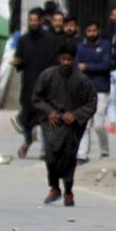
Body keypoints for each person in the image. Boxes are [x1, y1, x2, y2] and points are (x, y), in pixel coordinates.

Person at [32, 44, 98, 207]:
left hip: (72, 126)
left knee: (69, 158)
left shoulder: (82, 80)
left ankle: (68, 191)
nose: (66, 62)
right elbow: (36, 98)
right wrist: (49, 112)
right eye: (63, 59)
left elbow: (91, 103)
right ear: (58, 59)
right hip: (52, 123)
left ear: (74, 60)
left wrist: (75, 115)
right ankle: (54, 187)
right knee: (51, 156)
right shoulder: (47, 75)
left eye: (69, 59)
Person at [11, 8, 60, 159]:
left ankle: (45, 150)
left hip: (46, 86)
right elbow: (19, 60)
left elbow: (55, 62)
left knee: (45, 118)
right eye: (30, 20)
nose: (33, 23)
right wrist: (17, 62)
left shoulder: (50, 40)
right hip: (28, 85)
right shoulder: (24, 40)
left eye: (35, 20)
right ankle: (28, 141)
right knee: (27, 118)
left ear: (40, 21)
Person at [76, 21, 112, 163]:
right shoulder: (80, 47)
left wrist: (87, 67)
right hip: (84, 90)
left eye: (94, 31)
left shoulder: (105, 46)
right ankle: (82, 155)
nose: (91, 33)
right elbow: (77, 66)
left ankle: (104, 151)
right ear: (85, 31)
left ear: (98, 31)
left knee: (98, 124)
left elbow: (105, 65)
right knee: (84, 125)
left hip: (101, 90)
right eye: (89, 30)